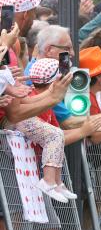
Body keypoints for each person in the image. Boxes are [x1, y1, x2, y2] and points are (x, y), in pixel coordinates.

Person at [16, 58, 76, 202]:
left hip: (26, 129)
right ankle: (48, 180)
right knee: (55, 135)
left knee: (58, 134)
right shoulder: (33, 94)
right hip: (22, 123)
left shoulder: (42, 96)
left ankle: (57, 181)